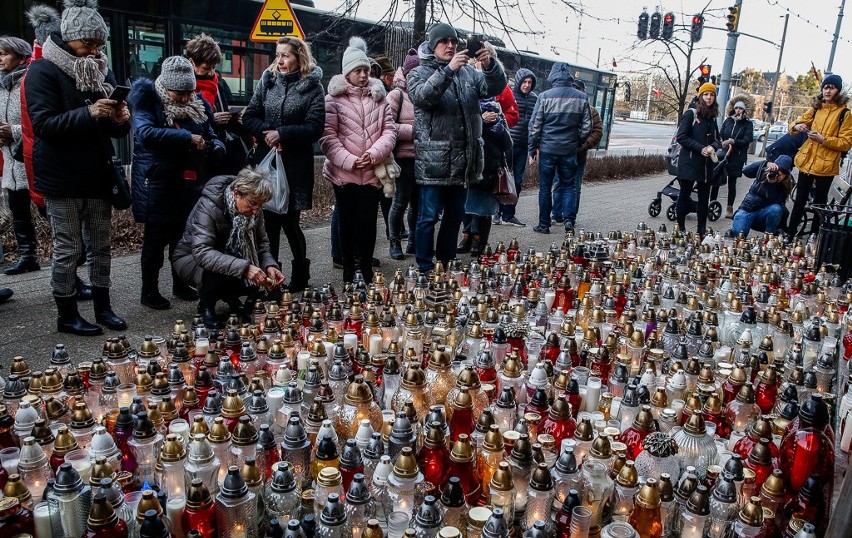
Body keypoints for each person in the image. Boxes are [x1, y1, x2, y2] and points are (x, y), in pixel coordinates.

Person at [26, 0, 131, 336]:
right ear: (70, 37)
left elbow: (112, 129)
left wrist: (120, 120)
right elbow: (43, 125)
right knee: (69, 247)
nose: (95, 51)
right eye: (88, 43)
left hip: (97, 173)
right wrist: (89, 114)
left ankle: (103, 307)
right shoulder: (43, 70)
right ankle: (67, 313)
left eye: (100, 44)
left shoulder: (101, 68)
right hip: (62, 176)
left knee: (101, 246)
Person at [408, 22, 507, 272]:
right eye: (444, 42)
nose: (450, 45)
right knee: (428, 218)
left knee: (454, 217)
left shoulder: (468, 74)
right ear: (433, 45)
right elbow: (423, 98)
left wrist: (490, 65)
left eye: (453, 41)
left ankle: (445, 261)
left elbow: (496, 87)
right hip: (434, 162)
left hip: (464, 161)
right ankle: (424, 266)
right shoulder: (418, 73)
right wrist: (448, 71)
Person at [129, 55, 224, 310]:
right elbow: (145, 133)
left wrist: (215, 147)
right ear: (166, 86)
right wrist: (186, 138)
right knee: (155, 241)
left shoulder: (199, 104)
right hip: (158, 182)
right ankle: (149, 291)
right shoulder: (148, 101)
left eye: (188, 92)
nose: (184, 97)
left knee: (183, 238)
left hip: (189, 184)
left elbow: (211, 133)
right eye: (178, 92)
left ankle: (180, 283)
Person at [243, 35, 324, 292]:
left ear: (299, 57)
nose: (279, 61)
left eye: (285, 55)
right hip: (266, 163)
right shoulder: (267, 81)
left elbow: (315, 127)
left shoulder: (313, 87)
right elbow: (250, 116)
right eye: (277, 55)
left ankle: (301, 273)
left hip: (294, 166)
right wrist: (268, 132)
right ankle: (272, 279)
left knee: (290, 223)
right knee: (267, 226)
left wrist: (284, 134)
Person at [320, 37, 397, 284]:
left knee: (368, 223)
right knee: (347, 221)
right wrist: (351, 161)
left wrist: (373, 155)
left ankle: (365, 268)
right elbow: (328, 137)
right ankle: (348, 271)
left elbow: (389, 131)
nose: (363, 75)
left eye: (366, 70)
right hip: (344, 173)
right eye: (358, 71)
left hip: (372, 170)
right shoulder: (333, 100)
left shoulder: (379, 98)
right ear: (347, 72)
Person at [172, 169, 284, 329]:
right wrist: (245, 268)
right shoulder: (209, 205)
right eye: (252, 203)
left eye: (260, 205)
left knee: (251, 266)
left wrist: (269, 265)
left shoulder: (254, 210)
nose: (255, 211)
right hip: (191, 259)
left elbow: (262, 244)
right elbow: (202, 252)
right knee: (224, 265)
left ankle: (233, 299)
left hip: (229, 255)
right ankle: (206, 306)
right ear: (236, 193)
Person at [528, 62, 591, 234]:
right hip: (569, 150)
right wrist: (577, 142)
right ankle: (569, 222)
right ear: (570, 76)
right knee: (569, 186)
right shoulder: (582, 98)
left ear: (553, 76)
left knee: (545, 187)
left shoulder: (544, 96)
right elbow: (587, 127)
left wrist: (532, 149)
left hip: (548, 150)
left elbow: (535, 127)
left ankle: (544, 224)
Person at [786, 74, 852, 237]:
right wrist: (798, 126)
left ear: (838, 90)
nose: (828, 91)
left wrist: (824, 140)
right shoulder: (817, 108)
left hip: (826, 165)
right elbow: (794, 125)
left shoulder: (845, 113)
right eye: (825, 87)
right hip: (808, 160)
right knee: (799, 200)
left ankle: (814, 237)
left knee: (819, 204)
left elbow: (846, 142)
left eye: (832, 87)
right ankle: (790, 235)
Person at [0, 36, 38, 276]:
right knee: (18, 211)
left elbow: (38, 121)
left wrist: (12, 131)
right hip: (10, 163)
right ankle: (28, 256)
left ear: (21, 56)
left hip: (31, 159)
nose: (0, 59)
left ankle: (72, 258)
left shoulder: (32, 80)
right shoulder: (0, 85)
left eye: (3, 53)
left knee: (48, 211)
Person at [185, 33, 247, 175]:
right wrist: (212, 120)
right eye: (206, 68)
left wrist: (233, 119)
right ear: (192, 62)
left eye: (214, 67)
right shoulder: (183, 87)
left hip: (219, 149)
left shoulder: (218, 83)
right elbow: (183, 123)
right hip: (197, 152)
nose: (211, 72)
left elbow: (224, 109)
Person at [458, 96, 511, 256]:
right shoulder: (468, 109)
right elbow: (462, 133)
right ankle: (467, 237)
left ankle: (480, 241)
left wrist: (498, 127)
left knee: (485, 208)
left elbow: (508, 145)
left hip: (491, 169)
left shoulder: (498, 115)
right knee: (467, 206)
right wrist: (480, 121)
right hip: (471, 167)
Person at [552, 78, 602, 226]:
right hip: (561, 154)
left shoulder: (591, 110)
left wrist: (584, 145)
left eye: (577, 89)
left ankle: (570, 217)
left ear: (583, 91)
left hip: (578, 156)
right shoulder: (563, 106)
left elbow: (598, 131)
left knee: (574, 186)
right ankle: (556, 215)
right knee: (559, 184)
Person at [674, 82, 721, 237]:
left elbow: (717, 139)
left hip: (706, 166)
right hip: (689, 161)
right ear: (701, 96)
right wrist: (700, 148)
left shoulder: (712, 117)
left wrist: (713, 147)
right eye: (706, 94)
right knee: (684, 194)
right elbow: (681, 137)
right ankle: (680, 228)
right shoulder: (691, 114)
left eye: (712, 95)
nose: (709, 97)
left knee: (703, 199)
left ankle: (701, 231)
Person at [386, 49, 419, 260]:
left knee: (418, 204)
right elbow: (387, 126)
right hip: (403, 158)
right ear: (406, 73)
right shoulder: (397, 94)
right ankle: (394, 241)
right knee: (399, 203)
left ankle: (414, 242)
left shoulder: (423, 93)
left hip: (423, 158)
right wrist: (414, 131)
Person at [729, 155, 793, 237]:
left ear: (786, 175)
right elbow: (745, 171)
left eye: (781, 175)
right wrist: (765, 164)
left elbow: (780, 207)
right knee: (739, 234)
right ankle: (735, 228)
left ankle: (769, 235)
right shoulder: (763, 172)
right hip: (748, 210)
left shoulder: (785, 185)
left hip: (764, 215)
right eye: (777, 173)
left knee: (776, 209)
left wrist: (773, 185)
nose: (777, 177)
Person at [714, 95, 754, 218]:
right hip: (723, 153)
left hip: (736, 156)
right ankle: (712, 204)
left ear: (745, 110)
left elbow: (747, 140)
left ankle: (729, 208)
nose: (738, 111)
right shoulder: (728, 121)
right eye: (736, 108)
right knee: (716, 179)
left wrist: (734, 142)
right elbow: (720, 134)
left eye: (740, 109)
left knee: (732, 182)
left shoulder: (747, 124)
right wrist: (722, 141)